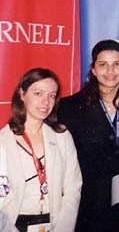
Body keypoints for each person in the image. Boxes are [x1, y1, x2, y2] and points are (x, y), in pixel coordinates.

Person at [57, 39, 119, 231]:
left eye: (117, 64)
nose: (110, 71)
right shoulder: (70, 107)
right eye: (103, 64)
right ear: (93, 70)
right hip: (86, 204)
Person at [0, 67, 82, 232]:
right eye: (38, 93)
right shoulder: (3, 141)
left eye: (51, 95)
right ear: (22, 94)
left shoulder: (62, 137)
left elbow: (73, 189)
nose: (46, 102)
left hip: (55, 224)